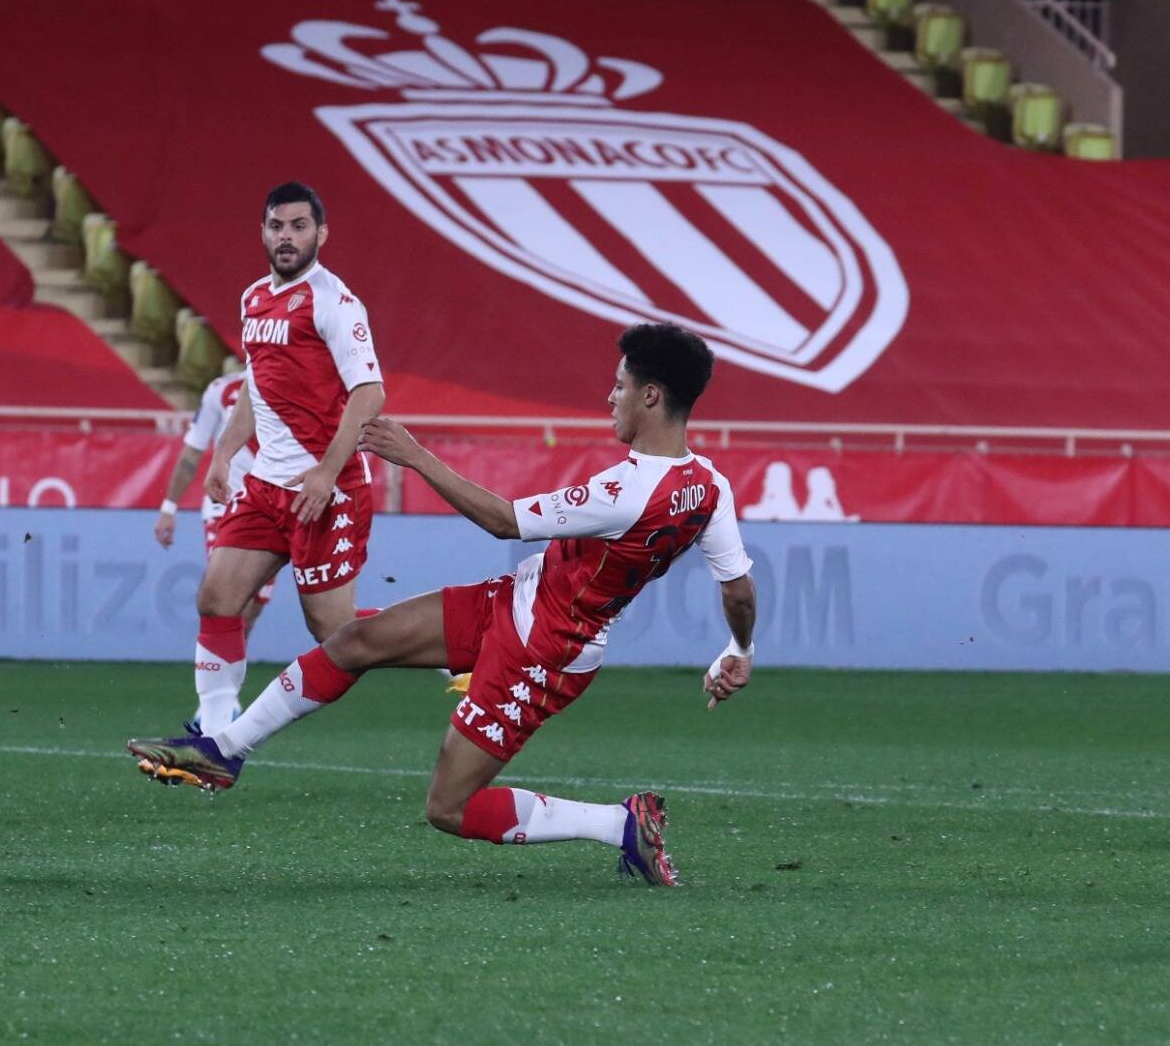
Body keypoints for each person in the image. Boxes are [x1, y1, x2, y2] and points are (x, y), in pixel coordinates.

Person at [127, 323, 759, 888]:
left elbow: (506, 522)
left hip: (544, 652)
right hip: (516, 602)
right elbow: (736, 586)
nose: (610, 397)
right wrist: (739, 650)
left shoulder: (624, 491)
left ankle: (619, 825)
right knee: (353, 642)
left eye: (620, 386)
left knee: (448, 809)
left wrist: (415, 456)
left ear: (652, 396)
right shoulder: (710, 485)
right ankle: (225, 751)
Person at [177, 182, 385, 737]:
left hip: (327, 489)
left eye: (298, 226)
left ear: (321, 233)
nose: (286, 236)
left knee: (336, 635)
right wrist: (222, 454)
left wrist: (325, 470)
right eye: (277, 226)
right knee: (217, 597)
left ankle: (447, 643)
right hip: (266, 484)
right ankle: (217, 735)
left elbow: (370, 393)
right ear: (263, 232)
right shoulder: (252, 299)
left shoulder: (334, 300)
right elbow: (256, 385)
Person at [152, 362, 276, 649]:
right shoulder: (221, 390)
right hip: (226, 504)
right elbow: (191, 452)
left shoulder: (296, 385)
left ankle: (228, 683)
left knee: (253, 607)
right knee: (226, 599)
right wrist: (168, 509)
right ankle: (214, 687)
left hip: (274, 506)